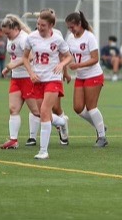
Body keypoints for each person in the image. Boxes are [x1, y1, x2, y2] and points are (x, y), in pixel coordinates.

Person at [22, 9, 73, 159]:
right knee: (43, 114)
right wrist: (31, 73)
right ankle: (62, 122)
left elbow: (69, 56)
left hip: (53, 79)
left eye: (43, 25)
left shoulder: (57, 39)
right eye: (38, 24)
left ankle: (43, 151)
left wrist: (61, 65)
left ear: (51, 25)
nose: (39, 27)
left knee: (44, 111)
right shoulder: (31, 38)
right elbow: (25, 58)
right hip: (38, 80)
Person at [65, 11, 108, 148]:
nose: (71, 30)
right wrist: (65, 70)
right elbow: (67, 55)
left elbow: (95, 59)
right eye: (69, 28)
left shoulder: (89, 37)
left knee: (91, 107)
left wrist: (78, 65)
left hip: (93, 75)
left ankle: (102, 137)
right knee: (78, 108)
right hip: (81, 76)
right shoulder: (71, 38)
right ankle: (99, 125)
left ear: (79, 24)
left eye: (72, 27)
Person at [0, 14, 41, 149]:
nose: (7, 36)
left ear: (16, 28)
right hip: (16, 78)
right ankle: (13, 140)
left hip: (28, 78)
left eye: (8, 33)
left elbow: (31, 57)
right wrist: (7, 69)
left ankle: (61, 122)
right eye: (5, 34)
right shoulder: (11, 39)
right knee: (13, 109)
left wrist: (14, 64)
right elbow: (15, 57)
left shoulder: (24, 39)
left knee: (37, 111)